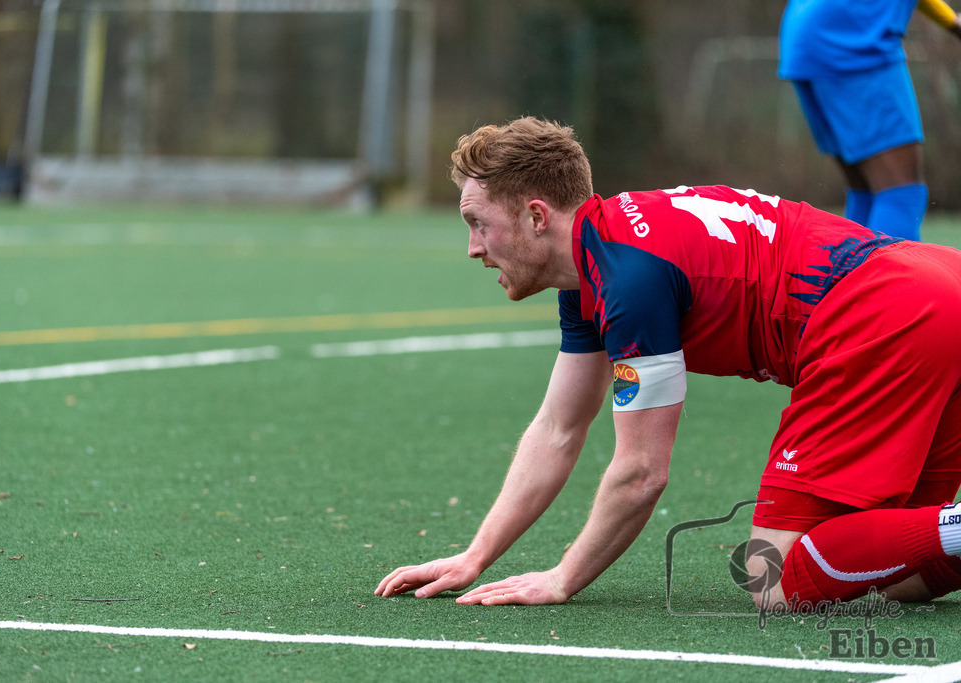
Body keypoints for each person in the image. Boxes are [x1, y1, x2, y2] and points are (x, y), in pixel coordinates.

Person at [373, 117, 961, 609]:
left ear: (535, 216)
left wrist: (564, 576)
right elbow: (558, 429)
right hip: (937, 282)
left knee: (772, 580)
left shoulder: (627, 279)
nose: (473, 247)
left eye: (478, 224)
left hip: (882, 318)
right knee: (906, 578)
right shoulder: (595, 270)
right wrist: (475, 557)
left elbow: (642, 473)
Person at [778, 0, 961, 241]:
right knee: (901, 193)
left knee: (866, 190)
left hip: (808, 35)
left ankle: (848, 277)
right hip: (852, 41)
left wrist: (950, 21)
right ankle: (889, 279)